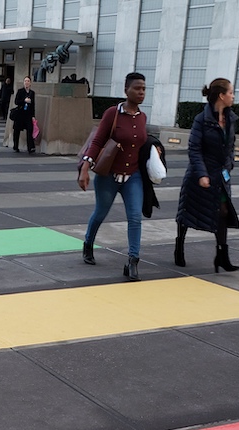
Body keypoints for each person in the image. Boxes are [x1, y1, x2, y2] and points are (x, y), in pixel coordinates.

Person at [78, 72, 148, 279]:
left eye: (144, 88)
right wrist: (85, 167)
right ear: (126, 90)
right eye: (137, 88)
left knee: (135, 217)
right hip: (108, 175)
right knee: (100, 213)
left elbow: (141, 143)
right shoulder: (112, 113)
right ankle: (88, 243)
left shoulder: (142, 117)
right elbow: (98, 141)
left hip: (133, 176)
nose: (141, 92)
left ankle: (133, 261)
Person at [175, 78, 239, 272]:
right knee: (186, 213)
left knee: (223, 212)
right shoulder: (201, 120)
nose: (233, 96)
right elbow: (194, 149)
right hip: (199, 176)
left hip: (220, 177)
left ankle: (221, 255)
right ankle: (179, 246)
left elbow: (230, 147)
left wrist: (228, 167)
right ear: (221, 95)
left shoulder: (231, 119)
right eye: (231, 92)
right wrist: (202, 174)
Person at [12, 76, 36, 153]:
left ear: (30, 83)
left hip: (28, 114)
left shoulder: (32, 93)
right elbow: (16, 102)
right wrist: (24, 100)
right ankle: (15, 146)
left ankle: (31, 147)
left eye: (28, 81)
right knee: (17, 130)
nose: (26, 82)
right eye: (25, 81)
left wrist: (33, 116)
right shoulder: (20, 91)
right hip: (20, 113)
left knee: (30, 130)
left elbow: (33, 105)